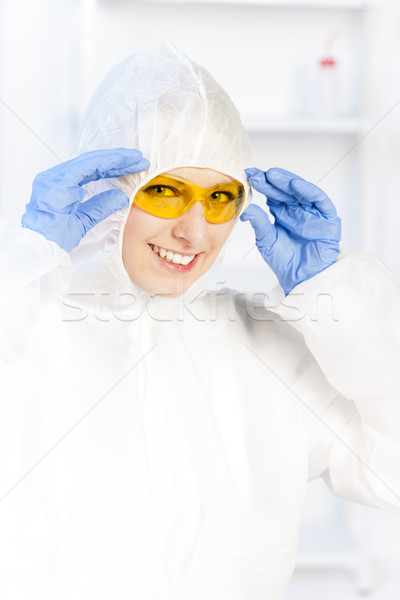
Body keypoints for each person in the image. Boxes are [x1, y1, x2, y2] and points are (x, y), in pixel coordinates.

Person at [0, 42, 399, 600]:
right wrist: (27, 259)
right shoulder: (24, 331)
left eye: (218, 198)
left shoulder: (265, 345)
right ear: (99, 190)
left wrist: (343, 301)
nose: (195, 232)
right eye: (164, 191)